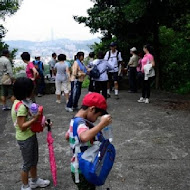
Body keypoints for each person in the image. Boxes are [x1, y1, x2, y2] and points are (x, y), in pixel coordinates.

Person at [65, 92, 112, 190]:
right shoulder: (81, 123)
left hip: (80, 167)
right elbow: (84, 137)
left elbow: (67, 136)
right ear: (92, 109)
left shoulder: (75, 120)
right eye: (97, 116)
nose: (96, 119)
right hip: (83, 170)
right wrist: (101, 125)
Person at [11, 77, 50, 190]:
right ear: (27, 91)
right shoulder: (21, 107)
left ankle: (34, 180)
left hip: (30, 135)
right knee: (27, 164)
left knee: (34, 160)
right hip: (25, 138)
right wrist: (35, 118)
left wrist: (44, 122)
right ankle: (25, 186)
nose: (34, 91)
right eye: (32, 89)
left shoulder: (20, 101)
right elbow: (22, 126)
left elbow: (32, 118)